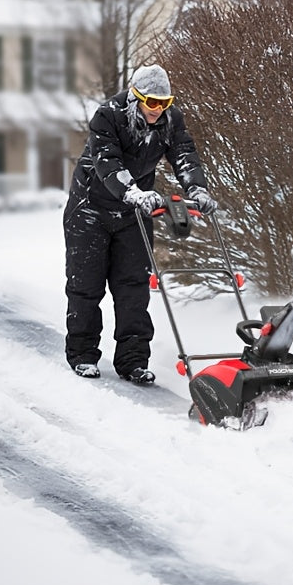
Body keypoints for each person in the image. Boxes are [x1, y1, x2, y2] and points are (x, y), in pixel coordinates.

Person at [63, 63, 217, 384]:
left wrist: (197, 188)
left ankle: (133, 360)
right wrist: (133, 192)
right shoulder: (108, 116)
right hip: (90, 208)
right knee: (87, 286)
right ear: (135, 98)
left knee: (133, 287)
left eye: (165, 103)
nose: (158, 110)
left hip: (134, 212)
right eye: (152, 103)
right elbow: (108, 163)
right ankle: (83, 354)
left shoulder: (170, 120)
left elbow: (184, 153)